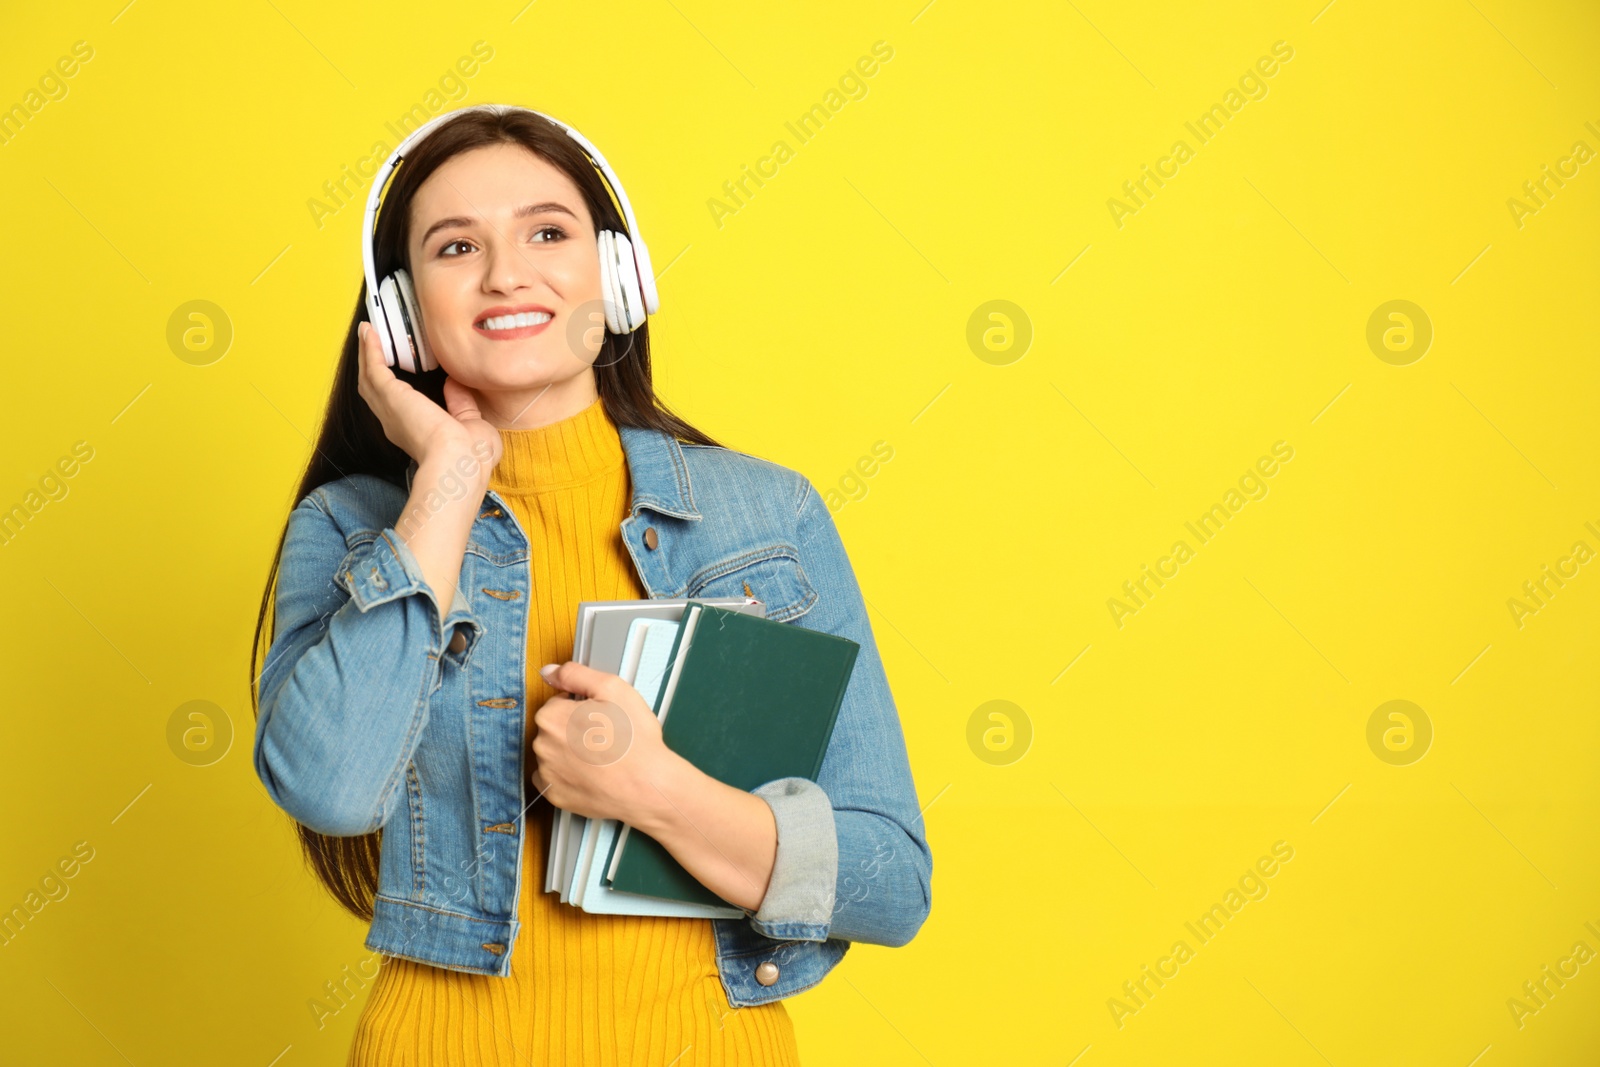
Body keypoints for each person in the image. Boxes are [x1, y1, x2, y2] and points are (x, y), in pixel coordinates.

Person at [249, 105, 931, 1065]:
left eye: (547, 231)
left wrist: (657, 793)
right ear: (400, 311)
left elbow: (890, 881)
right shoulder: (349, 526)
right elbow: (332, 789)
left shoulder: (770, 517)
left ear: (615, 275)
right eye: (454, 247)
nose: (505, 273)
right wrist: (447, 484)